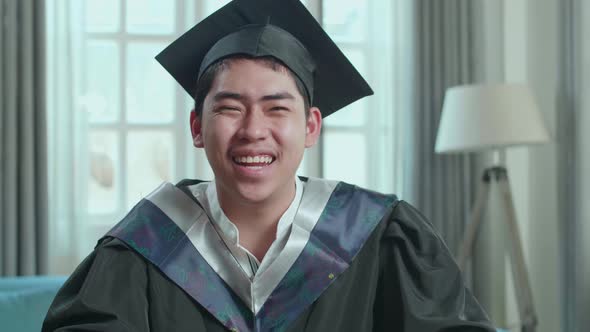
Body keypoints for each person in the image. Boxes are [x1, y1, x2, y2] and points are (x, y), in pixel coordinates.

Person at [43, 0, 496, 331]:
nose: (253, 130)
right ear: (197, 127)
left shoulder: (382, 235)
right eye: (230, 108)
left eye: (277, 108)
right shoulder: (144, 243)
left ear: (311, 126)